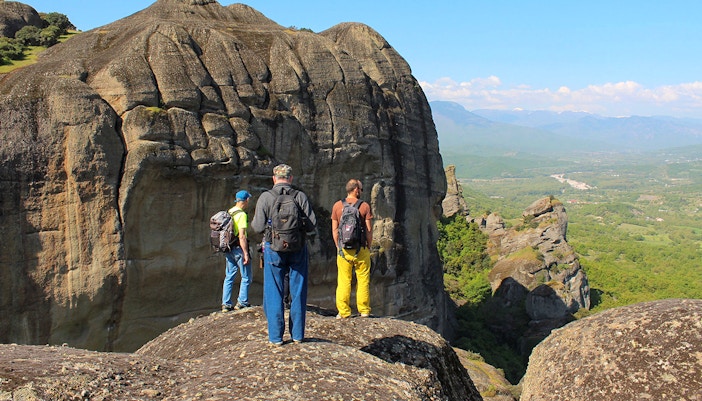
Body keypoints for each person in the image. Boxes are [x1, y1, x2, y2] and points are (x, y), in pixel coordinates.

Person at [251, 164, 317, 345]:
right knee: (298, 291)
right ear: (291, 178)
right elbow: (311, 225)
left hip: (274, 249)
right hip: (298, 248)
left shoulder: (266, 197)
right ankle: (297, 335)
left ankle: (276, 337)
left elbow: (257, 227)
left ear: (274, 178)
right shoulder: (299, 196)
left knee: (274, 290)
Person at [331, 179, 373, 319]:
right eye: (361, 189)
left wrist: (338, 246)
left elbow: (335, 230)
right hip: (360, 249)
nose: (361, 191)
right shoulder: (364, 206)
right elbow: (368, 230)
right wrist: (368, 245)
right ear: (356, 189)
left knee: (343, 280)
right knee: (363, 279)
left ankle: (344, 311)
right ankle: (364, 310)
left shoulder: (337, 206)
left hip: (343, 250)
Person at [221, 190, 253, 312]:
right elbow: (242, 236)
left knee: (229, 276)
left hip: (228, 249)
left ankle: (226, 304)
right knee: (246, 276)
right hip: (239, 249)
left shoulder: (229, 212)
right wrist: (246, 253)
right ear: (246, 200)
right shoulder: (242, 215)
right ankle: (242, 302)